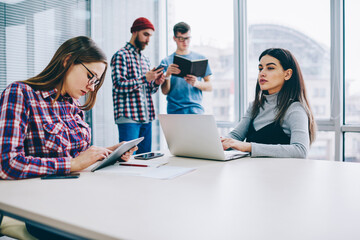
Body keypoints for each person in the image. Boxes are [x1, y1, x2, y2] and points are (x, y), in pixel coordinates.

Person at [0, 36, 137, 239]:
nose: (92, 87)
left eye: (96, 81)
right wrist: (71, 164)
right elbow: (7, 164)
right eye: (90, 76)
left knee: (129, 215)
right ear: (68, 61)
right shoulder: (21, 93)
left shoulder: (72, 105)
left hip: (80, 198)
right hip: (45, 208)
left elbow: (78, 158)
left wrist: (110, 152)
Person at [221, 48, 316, 158]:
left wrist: (249, 147)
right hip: (252, 172)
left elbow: (300, 151)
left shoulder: (295, 109)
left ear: (287, 74)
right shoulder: (254, 107)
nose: (262, 73)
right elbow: (235, 136)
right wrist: (221, 142)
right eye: (260, 68)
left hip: (279, 174)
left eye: (270, 68)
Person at [111, 17, 165, 154]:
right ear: (134, 32)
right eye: (145, 34)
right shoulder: (120, 56)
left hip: (146, 117)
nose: (148, 40)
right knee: (128, 159)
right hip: (129, 117)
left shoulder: (145, 59)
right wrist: (144, 78)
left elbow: (147, 89)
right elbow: (118, 85)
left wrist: (156, 83)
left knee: (145, 159)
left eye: (150, 36)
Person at [160, 22, 212, 114]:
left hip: (196, 110)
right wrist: (167, 75)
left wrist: (196, 83)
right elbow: (164, 91)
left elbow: (210, 86)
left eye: (187, 38)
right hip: (174, 111)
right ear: (174, 38)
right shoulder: (166, 62)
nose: (185, 42)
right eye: (181, 39)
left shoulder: (200, 59)